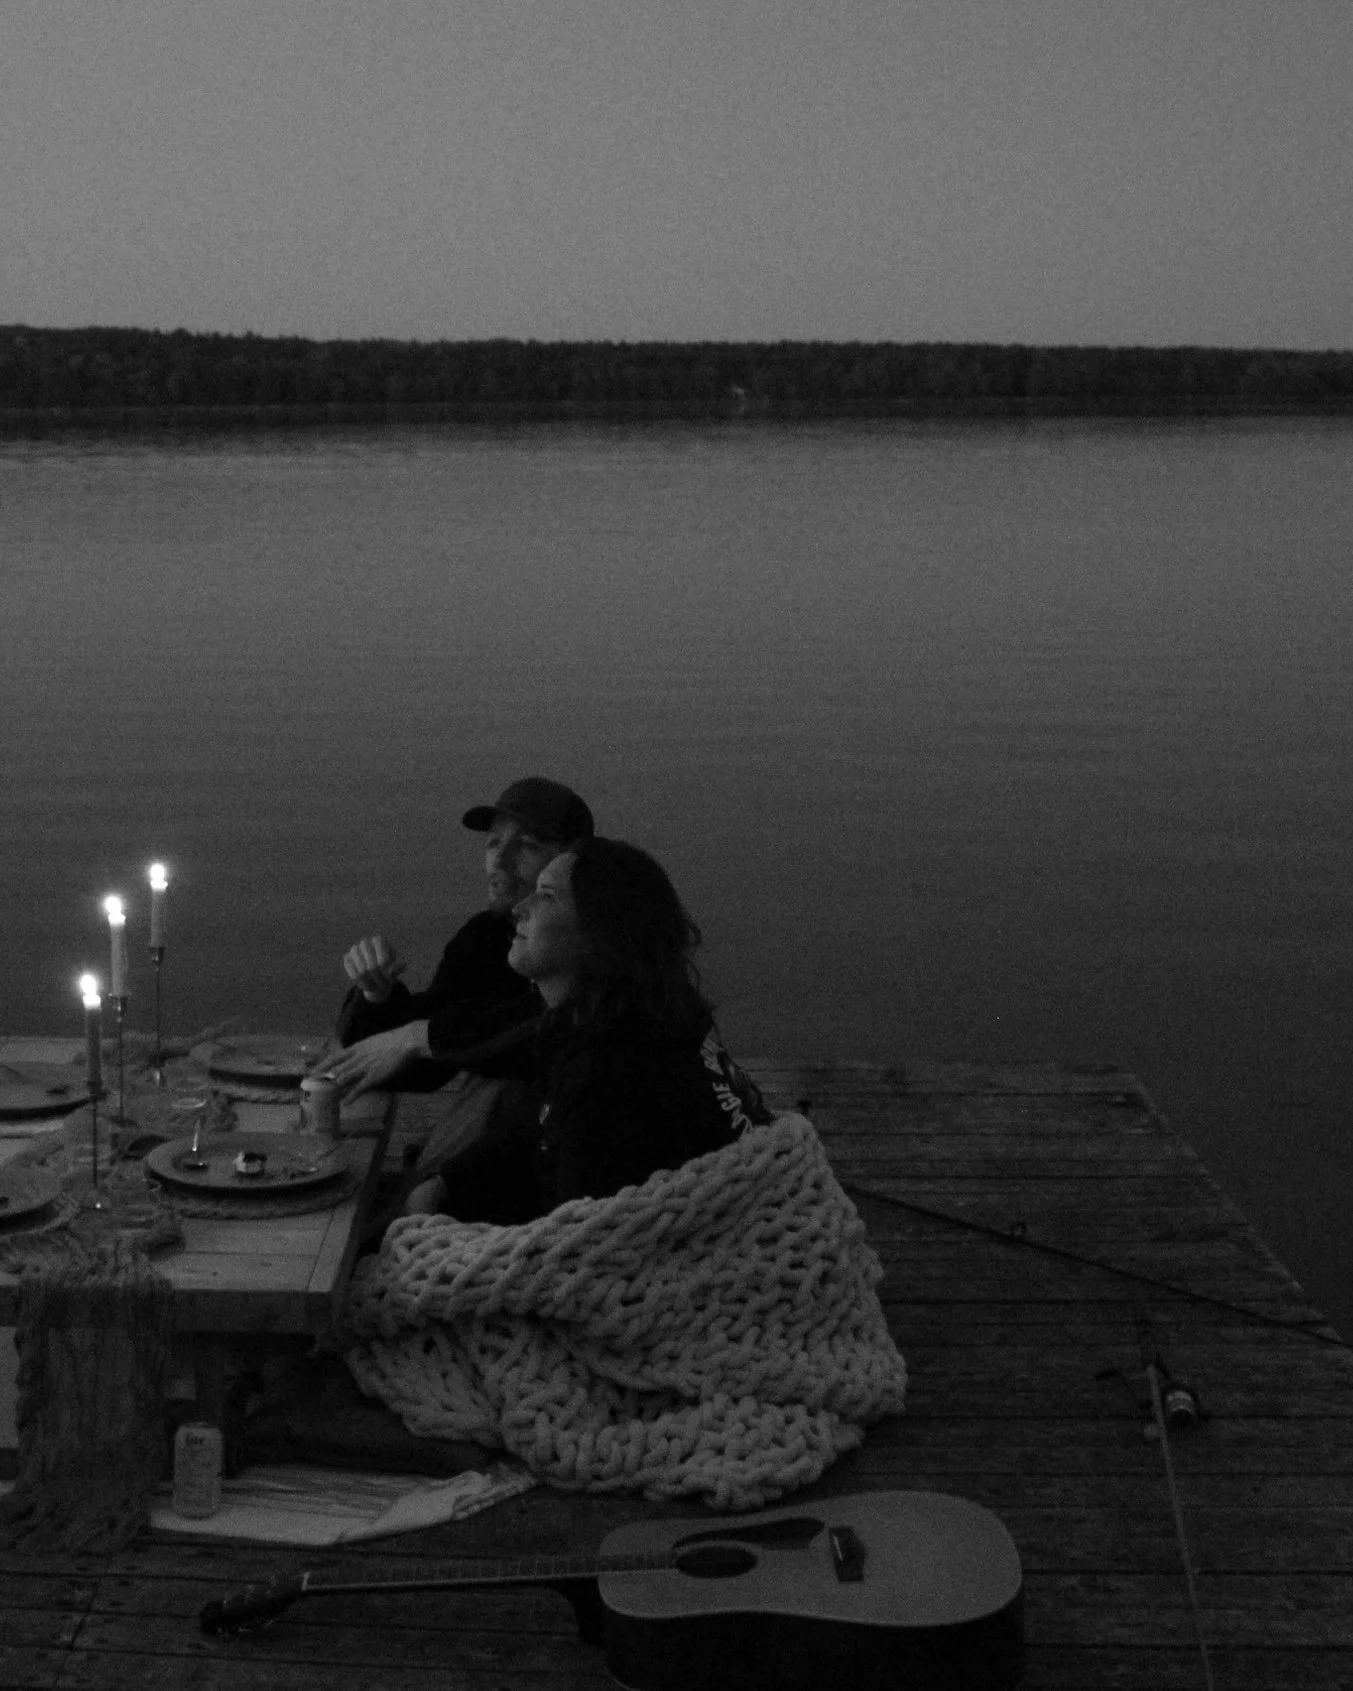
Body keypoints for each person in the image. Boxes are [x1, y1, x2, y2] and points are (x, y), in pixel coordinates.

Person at [402, 836, 774, 1223]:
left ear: (598, 934)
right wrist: (446, 1183)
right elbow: (532, 1127)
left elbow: (576, 1253)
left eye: (545, 897)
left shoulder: (611, 1076)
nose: (519, 908)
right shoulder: (635, 1020)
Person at [323, 777, 594, 1097]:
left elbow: (554, 1026)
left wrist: (422, 1037)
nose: (500, 861)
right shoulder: (486, 937)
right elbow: (418, 1070)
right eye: (493, 842)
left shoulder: (600, 951)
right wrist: (376, 998)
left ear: (573, 865)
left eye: (528, 846)